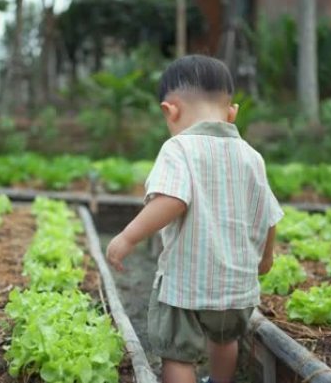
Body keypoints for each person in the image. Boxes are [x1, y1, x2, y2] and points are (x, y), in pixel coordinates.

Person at [106, 54, 283, 383]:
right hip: (236, 284)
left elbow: (171, 200)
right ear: (232, 113)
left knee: (178, 352)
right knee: (224, 339)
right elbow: (269, 213)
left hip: (186, 283)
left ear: (169, 110)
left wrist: (128, 237)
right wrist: (266, 256)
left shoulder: (179, 149)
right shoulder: (252, 156)